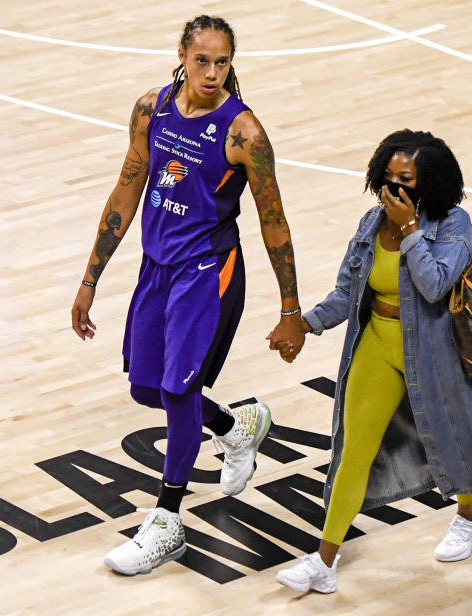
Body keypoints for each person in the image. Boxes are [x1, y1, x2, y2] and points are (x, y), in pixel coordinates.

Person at [70, 15, 305, 576]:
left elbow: (275, 221)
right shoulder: (152, 109)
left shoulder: (243, 133)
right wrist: (89, 278)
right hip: (158, 268)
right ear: (181, 54)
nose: (212, 72)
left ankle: (167, 522)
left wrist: (290, 308)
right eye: (203, 60)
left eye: (223, 62)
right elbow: (127, 187)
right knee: (148, 391)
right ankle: (235, 426)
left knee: (179, 391)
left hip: (209, 273)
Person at [271, 130, 472, 594]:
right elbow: (347, 293)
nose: (394, 190)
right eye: (389, 178)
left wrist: (412, 231)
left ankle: (469, 516)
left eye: (407, 181)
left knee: (451, 439)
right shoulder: (370, 223)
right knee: (352, 450)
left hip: (436, 355)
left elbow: (435, 285)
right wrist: (304, 324)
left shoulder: (453, 225)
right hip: (376, 342)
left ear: (430, 184)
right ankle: (324, 561)